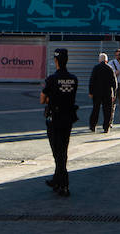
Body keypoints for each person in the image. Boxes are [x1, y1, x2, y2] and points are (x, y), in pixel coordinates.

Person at [41, 47, 78, 196]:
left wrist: (52, 97)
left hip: (54, 118)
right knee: (63, 149)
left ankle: (64, 183)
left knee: (57, 152)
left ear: (56, 60)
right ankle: (57, 180)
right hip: (68, 118)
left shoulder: (51, 79)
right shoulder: (74, 79)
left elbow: (42, 99)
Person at [88, 52, 116, 132]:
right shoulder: (110, 68)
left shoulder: (96, 68)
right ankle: (106, 127)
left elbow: (92, 80)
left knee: (95, 109)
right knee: (107, 110)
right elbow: (114, 82)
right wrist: (114, 93)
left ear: (99, 60)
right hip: (107, 93)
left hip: (97, 93)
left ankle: (93, 125)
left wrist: (91, 92)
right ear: (106, 60)